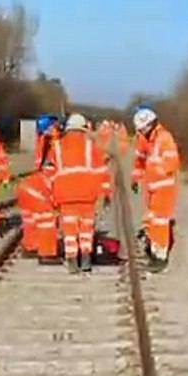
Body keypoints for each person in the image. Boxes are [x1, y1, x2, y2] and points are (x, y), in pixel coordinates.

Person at [50, 113, 111, 272]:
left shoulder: (57, 147)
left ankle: (71, 261)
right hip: (87, 195)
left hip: (65, 196)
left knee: (69, 231)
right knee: (86, 230)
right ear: (84, 128)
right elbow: (102, 171)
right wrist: (105, 193)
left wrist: (51, 196)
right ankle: (85, 260)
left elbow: (50, 173)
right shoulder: (92, 147)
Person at [131, 105, 180, 271]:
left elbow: (172, 163)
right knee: (152, 220)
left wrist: (157, 172)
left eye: (142, 130)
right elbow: (140, 160)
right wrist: (136, 178)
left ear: (150, 125)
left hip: (164, 188)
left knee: (160, 222)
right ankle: (153, 249)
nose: (141, 133)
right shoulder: (146, 140)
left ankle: (160, 257)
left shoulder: (165, 138)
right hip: (152, 188)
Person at [17, 114, 61, 263]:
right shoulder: (54, 146)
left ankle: (30, 247)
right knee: (47, 218)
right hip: (39, 189)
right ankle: (47, 254)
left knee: (31, 220)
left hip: (28, 187)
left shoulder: (43, 143)